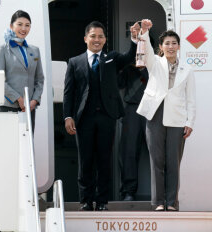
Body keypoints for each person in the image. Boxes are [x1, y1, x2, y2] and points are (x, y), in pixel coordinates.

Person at [63, 21, 139, 211]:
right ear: (85, 38)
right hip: (83, 118)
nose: (97, 40)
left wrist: (135, 38)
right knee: (85, 160)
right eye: (93, 36)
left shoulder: (111, 58)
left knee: (105, 159)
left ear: (105, 39)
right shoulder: (74, 62)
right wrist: (67, 116)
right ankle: (86, 201)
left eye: (100, 37)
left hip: (107, 116)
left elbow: (130, 57)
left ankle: (102, 201)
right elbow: (68, 92)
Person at [136, 19, 196, 211]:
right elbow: (145, 52)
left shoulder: (188, 70)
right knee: (157, 161)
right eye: (167, 43)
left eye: (174, 43)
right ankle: (158, 202)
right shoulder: (155, 63)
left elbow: (191, 99)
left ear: (179, 46)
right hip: (155, 114)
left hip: (178, 117)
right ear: (161, 47)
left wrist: (190, 122)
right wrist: (144, 32)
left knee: (173, 162)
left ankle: (172, 202)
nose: (171, 46)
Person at [0, 10, 44, 131]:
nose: (24, 28)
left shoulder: (35, 50)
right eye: (20, 24)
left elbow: (40, 79)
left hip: (29, 107)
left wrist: (34, 100)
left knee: (27, 144)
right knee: (7, 143)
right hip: (8, 105)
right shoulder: (4, 49)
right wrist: (19, 99)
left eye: (27, 25)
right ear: (11, 26)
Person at [118, 64, 149, 201]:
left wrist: (144, 69)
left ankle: (163, 193)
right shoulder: (128, 66)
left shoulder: (157, 64)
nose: (139, 53)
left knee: (158, 153)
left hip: (153, 109)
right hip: (132, 108)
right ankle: (128, 191)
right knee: (129, 151)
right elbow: (118, 84)